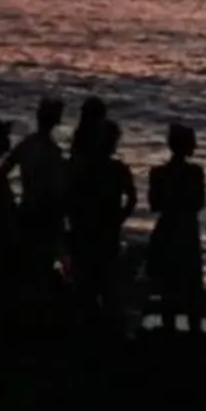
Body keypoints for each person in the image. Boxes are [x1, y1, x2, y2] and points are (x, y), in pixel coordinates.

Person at [65, 107, 136, 327]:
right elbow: (132, 199)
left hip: (87, 229)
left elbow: (70, 196)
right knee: (106, 285)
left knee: (85, 286)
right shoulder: (118, 169)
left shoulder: (84, 167)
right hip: (104, 231)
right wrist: (119, 219)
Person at [144, 120, 206, 335]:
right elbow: (198, 203)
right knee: (191, 289)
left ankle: (171, 334)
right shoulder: (195, 173)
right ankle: (193, 336)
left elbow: (154, 204)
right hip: (186, 232)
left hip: (168, 230)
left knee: (169, 289)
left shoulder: (159, 173)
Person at [0, 93, 69, 271]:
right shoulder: (53, 152)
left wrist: (10, 200)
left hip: (28, 208)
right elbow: (57, 190)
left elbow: (2, 172)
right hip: (46, 215)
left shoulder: (27, 145)